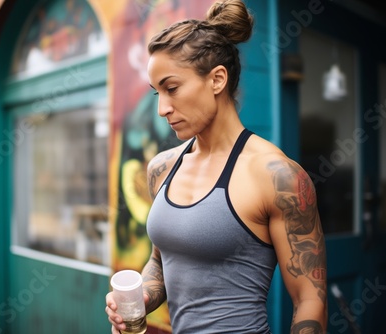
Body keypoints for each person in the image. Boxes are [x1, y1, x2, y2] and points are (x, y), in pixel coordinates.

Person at [106, 0, 328, 333]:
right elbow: (161, 264)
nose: (162, 109)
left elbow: (310, 300)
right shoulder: (161, 168)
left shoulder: (276, 175)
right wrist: (136, 300)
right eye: (157, 94)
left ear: (217, 80)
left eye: (172, 88)